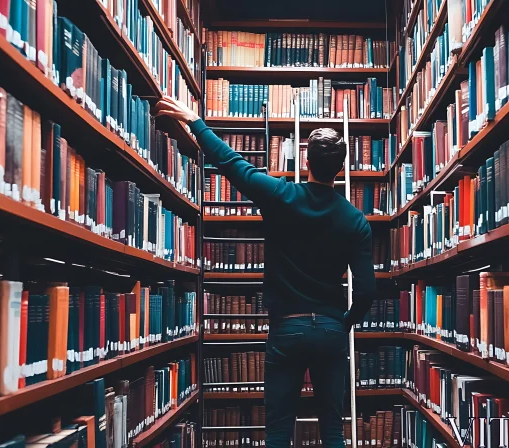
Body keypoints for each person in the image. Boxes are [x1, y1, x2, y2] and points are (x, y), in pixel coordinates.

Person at [155, 98, 376, 448]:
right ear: (340, 166)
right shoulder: (356, 221)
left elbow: (232, 164)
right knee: (333, 431)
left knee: (276, 432)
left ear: (306, 161)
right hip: (331, 330)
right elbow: (365, 291)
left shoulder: (280, 195)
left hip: (287, 328)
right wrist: (342, 324)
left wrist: (195, 121)